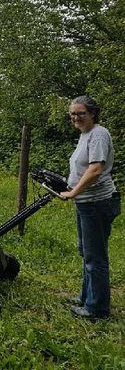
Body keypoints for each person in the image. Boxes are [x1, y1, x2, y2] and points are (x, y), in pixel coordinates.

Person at [60, 95, 121, 319]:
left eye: (81, 113)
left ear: (92, 113)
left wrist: (74, 192)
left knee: (95, 257)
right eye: (73, 114)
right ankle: (86, 297)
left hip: (97, 202)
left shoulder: (98, 134)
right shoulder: (85, 135)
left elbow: (95, 170)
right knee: (87, 252)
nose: (76, 117)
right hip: (86, 203)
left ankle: (97, 309)